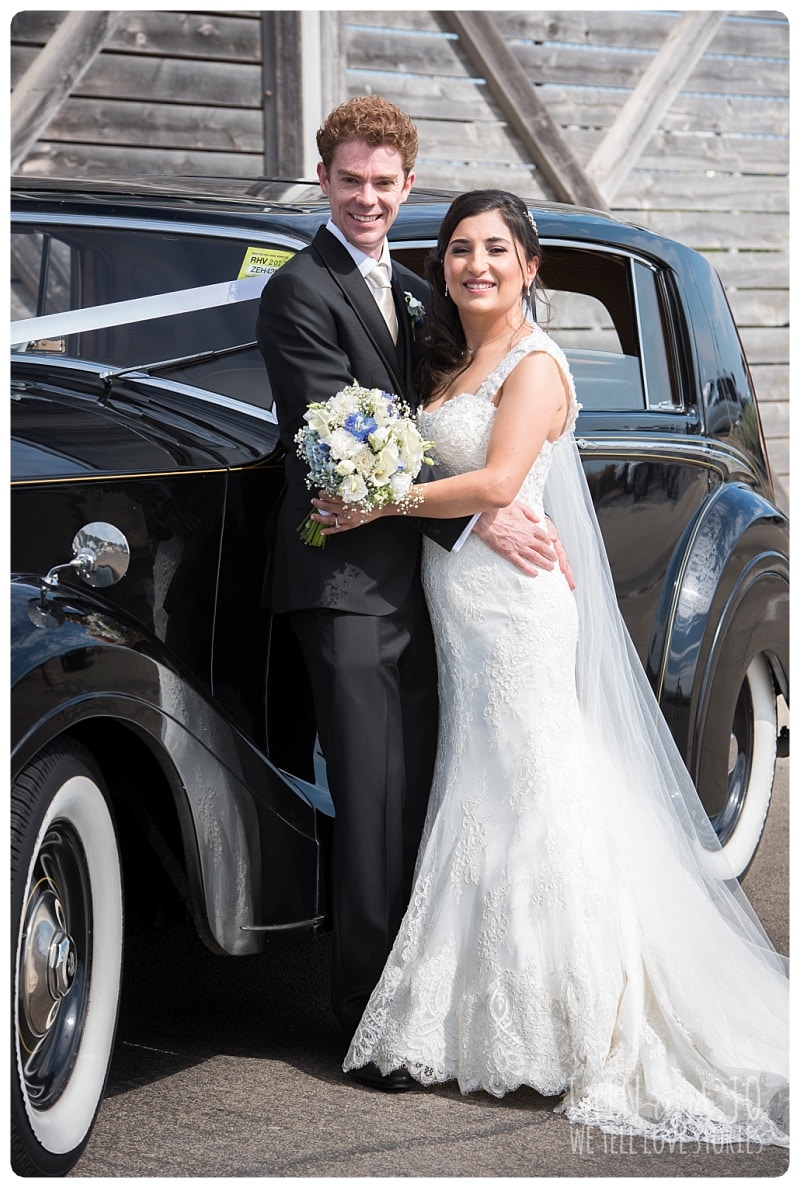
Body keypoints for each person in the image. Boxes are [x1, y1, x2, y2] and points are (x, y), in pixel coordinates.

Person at [314, 190, 789, 1147]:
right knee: (478, 786)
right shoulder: (451, 359)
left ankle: (569, 1022)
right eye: (457, 250)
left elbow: (496, 481)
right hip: (462, 601)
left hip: (515, 608)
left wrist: (376, 502)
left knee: (536, 788)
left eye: (495, 249)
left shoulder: (534, 362)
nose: (473, 265)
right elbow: (477, 483)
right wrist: (441, 497)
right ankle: (479, 1014)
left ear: (531, 266)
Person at [256, 101, 566, 1093]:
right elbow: (337, 438)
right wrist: (475, 513)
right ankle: (364, 1021)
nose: (367, 198)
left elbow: (429, 431)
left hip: (435, 594)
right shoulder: (299, 292)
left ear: (404, 187)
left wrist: (478, 512)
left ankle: (434, 1003)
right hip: (345, 584)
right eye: (350, 180)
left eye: (385, 184)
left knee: (432, 802)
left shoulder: (412, 294)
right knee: (374, 800)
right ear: (324, 179)